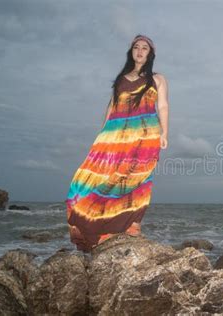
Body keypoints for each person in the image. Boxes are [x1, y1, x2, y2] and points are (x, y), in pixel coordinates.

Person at [65, 34, 169, 252]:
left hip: (145, 136)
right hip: (116, 138)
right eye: (136, 47)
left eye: (145, 49)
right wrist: (103, 134)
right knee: (92, 178)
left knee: (138, 179)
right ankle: (103, 228)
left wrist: (164, 133)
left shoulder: (157, 79)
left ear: (150, 54)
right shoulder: (121, 79)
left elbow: (163, 106)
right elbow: (111, 107)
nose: (140, 51)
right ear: (131, 51)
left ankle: (133, 225)